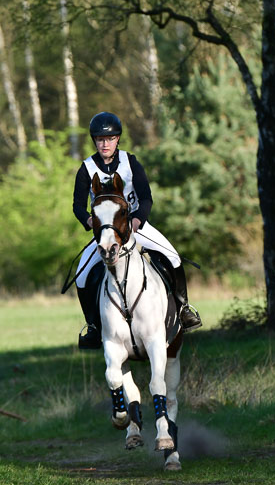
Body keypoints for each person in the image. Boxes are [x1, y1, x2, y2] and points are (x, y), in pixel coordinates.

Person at [73, 111, 202, 350]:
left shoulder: (130, 162)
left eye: (110, 138)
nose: (105, 143)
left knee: (173, 257)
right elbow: (77, 206)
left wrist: (138, 220)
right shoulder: (86, 168)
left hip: (135, 226)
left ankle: (184, 309)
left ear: (117, 139)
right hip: (106, 232)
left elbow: (146, 198)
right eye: (100, 139)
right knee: (81, 274)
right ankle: (93, 327)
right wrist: (90, 221)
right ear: (94, 141)